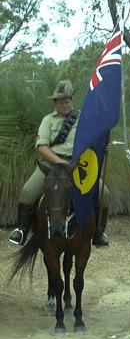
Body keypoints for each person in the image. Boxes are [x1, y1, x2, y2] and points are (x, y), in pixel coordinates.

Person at [8, 80, 110, 247]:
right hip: (52, 164)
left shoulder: (83, 119)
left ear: (71, 100)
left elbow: (94, 141)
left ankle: (99, 232)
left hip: (78, 165)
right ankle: (21, 230)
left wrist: (104, 146)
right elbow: (42, 146)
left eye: (67, 101)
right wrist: (60, 162)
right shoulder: (48, 120)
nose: (65, 104)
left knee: (104, 194)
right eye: (61, 102)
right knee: (27, 191)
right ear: (55, 103)